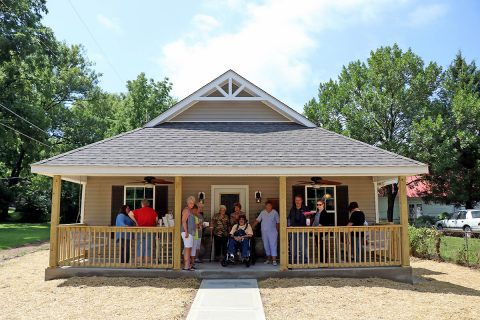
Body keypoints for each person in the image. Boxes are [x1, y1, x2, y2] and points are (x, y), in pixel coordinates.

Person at [128, 199, 158, 264]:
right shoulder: (152, 211)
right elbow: (156, 219)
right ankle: (147, 262)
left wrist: (136, 222)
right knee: (149, 246)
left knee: (139, 246)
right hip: (150, 231)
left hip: (140, 230)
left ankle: (139, 262)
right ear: (148, 204)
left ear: (142, 204)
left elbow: (130, 213)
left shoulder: (138, 210)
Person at [252, 201, 280, 266]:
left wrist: (277, 231)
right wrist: (251, 227)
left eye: (270, 205)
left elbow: (278, 222)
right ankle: (268, 259)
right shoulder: (263, 212)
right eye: (267, 205)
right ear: (265, 206)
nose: (268, 206)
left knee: (273, 245)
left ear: (271, 206)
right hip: (264, 232)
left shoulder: (275, 212)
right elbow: (257, 220)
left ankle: (274, 260)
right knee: (266, 245)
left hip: (273, 232)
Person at [287, 195, 309, 264]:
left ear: (301, 201)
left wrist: (308, 224)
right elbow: (289, 218)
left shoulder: (305, 208)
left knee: (303, 246)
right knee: (293, 246)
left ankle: (305, 262)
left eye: (299, 200)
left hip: (303, 230)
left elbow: (310, 217)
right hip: (293, 231)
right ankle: (293, 261)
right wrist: (289, 225)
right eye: (296, 200)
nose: (297, 201)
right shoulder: (292, 209)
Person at [181, 196, 196, 270]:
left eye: (193, 203)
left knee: (189, 248)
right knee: (187, 248)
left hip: (190, 233)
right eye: (190, 203)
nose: (192, 204)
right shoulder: (186, 210)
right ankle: (186, 266)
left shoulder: (190, 210)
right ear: (187, 203)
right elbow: (183, 221)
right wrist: (186, 231)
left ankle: (188, 265)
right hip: (186, 232)